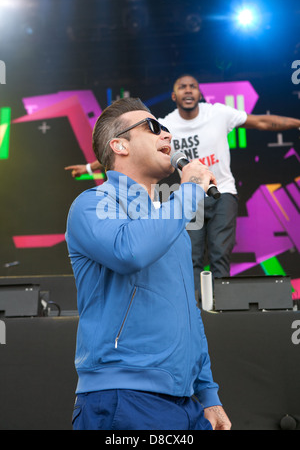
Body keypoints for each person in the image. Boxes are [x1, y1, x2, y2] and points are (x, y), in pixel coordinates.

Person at [65, 97, 231, 431]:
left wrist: (208, 393)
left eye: (167, 128)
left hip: (186, 404)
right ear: (120, 145)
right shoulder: (93, 204)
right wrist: (191, 187)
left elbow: (189, 312)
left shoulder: (170, 223)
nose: (167, 134)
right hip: (122, 397)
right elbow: (129, 251)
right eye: (154, 127)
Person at [66, 76, 300, 300]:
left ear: (200, 93)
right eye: (182, 86)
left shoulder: (218, 113)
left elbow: (261, 121)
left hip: (221, 191)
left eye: (192, 86)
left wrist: (297, 123)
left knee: (220, 251)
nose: (188, 90)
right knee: (192, 254)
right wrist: (88, 167)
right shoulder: (165, 124)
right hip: (190, 196)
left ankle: (223, 305)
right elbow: (125, 148)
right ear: (174, 95)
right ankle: (198, 303)